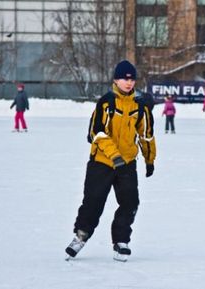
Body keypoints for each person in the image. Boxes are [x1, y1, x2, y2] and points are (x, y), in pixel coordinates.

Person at [65, 60, 156, 262]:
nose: (128, 83)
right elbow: (95, 133)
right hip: (102, 162)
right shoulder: (106, 103)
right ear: (116, 80)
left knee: (130, 202)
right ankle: (81, 236)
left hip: (127, 163)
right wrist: (114, 156)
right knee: (93, 201)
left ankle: (121, 241)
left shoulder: (140, 107)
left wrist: (149, 160)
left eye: (132, 79)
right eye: (124, 79)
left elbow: (147, 135)